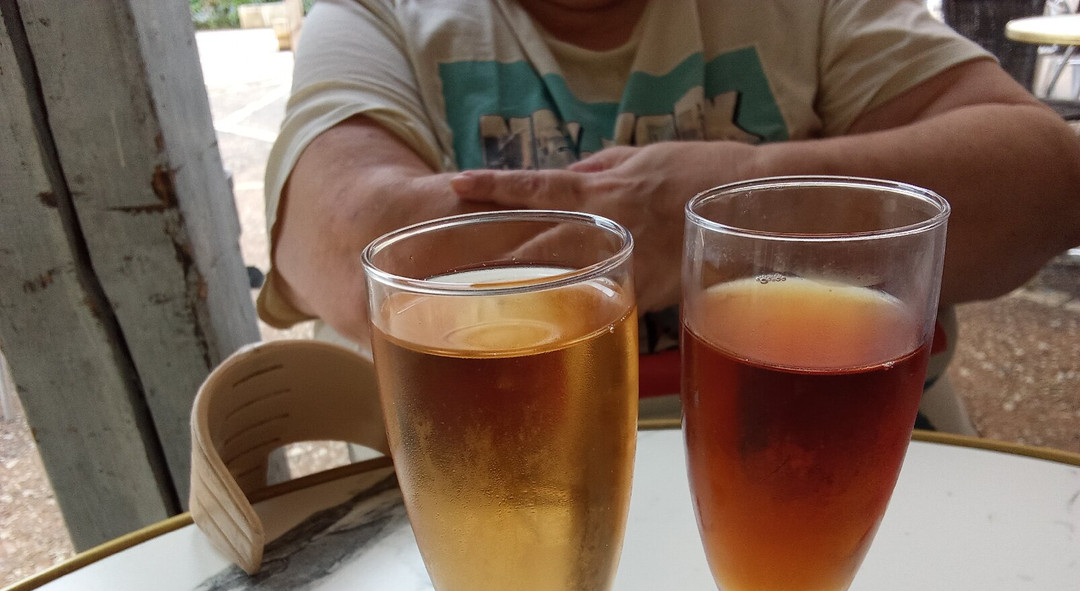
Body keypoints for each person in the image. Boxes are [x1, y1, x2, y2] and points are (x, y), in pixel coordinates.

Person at [257, 0, 1080, 429]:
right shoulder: (375, 14)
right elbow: (348, 242)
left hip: (845, 445)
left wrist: (729, 199)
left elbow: (1046, 180)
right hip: (503, 479)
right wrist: (648, 228)